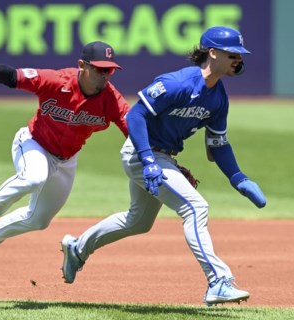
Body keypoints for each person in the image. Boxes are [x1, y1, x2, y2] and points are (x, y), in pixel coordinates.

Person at [60, 26, 266, 307]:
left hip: (162, 157)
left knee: (138, 221)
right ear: (213, 53)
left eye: (240, 55)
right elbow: (136, 116)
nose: (238, 60)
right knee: (195, 207)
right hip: (141, 153)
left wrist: (238, 177)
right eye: (232, 54)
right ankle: (218, 281)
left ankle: (77, 248)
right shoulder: (178, 83)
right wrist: (148, 161)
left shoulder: (218, 98)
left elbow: (218, 144)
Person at [0, 41, 129, 268]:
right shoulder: (56, 81)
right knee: (33, 177)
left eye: (109, 70)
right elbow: (15, 78)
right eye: (99, 68)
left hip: (66, 161)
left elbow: (134, 130)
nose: (105, 75)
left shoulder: (112, 100)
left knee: (38, 219)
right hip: (33, 144)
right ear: (82, 65)